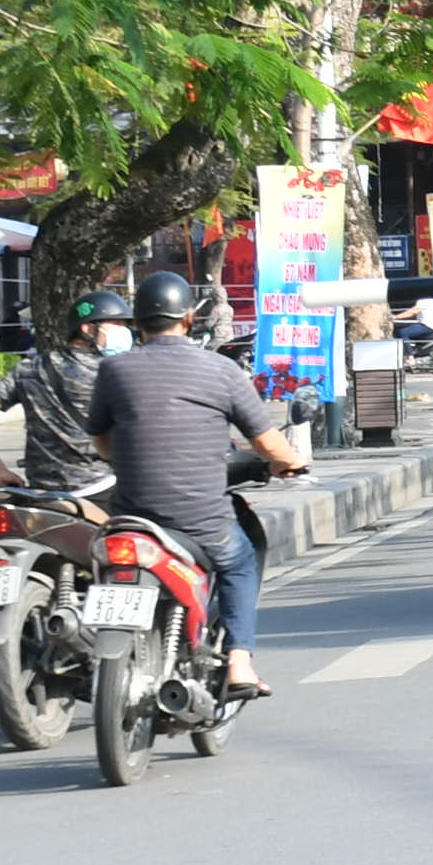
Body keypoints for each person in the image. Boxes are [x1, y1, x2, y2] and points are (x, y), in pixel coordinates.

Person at [88, 269, 311, 700]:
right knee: (240, 559)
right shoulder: (222, 370)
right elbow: (266, 442)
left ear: (138, 322)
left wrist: (125, 454)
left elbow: (100, 439)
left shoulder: (115, 371)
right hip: (201, 520)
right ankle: (239, 661)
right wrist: (291, 462)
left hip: (130, 517)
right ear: (189, 319)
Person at [0, 287, 124, 502]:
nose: (125, 331)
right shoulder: (113, 371)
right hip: (100, 487)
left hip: (41, 490)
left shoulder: (30, 368)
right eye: (117, 325)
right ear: (87, 329)